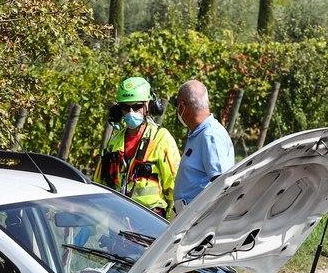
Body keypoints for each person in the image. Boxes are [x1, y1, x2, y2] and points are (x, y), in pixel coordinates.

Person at [94, 76, 180, 217]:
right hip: (118, 221)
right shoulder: (114, 142)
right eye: (125, 108)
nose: (131, 112)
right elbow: (100, 182)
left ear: (148, 105)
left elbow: (175, 185)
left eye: (137, 106)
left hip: (151, 221)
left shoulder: (161, 138)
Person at [174, 79, 236, 207]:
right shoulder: (199, 133)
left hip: (198, 218)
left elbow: (222, 184)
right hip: (188, 217)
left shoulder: (210, 135)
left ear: (182, 105)